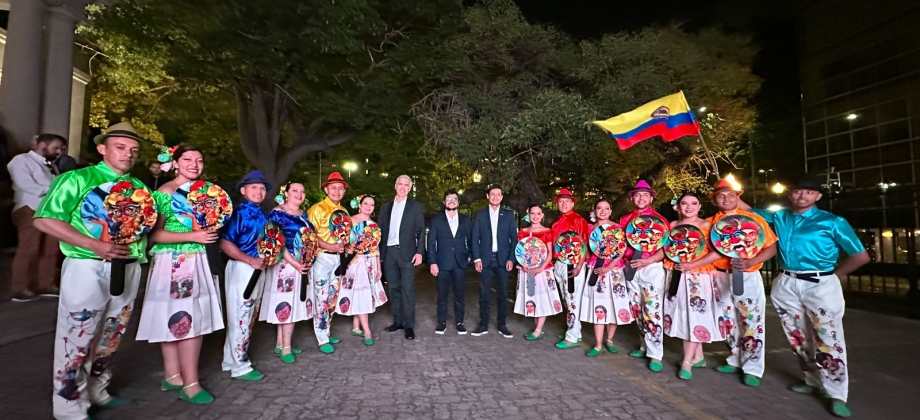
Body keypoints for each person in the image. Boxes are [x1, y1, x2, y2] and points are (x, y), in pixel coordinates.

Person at [33, 122, 152, 419]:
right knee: (77, 334)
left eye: (133, 150)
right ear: (103, 149)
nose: (128, 154)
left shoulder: (140, 189)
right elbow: (45, 219)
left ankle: (98, 391)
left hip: (128, 266)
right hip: (88, 265)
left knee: (111, 335)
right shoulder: (77, 178)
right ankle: (69, 406)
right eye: (121, 147)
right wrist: (94, 244)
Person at [740, 174, 869, 417]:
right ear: (790, 194)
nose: (802, 195)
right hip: (787, 282)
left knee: (828, 336)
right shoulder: (780, 216)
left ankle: (836, 393)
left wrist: (835, 276)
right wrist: (731, 192)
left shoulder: (832, 222)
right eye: (798, 191)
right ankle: (810, 379)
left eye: (809, 192)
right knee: (797, 335)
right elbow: (747, 210)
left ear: (818, 196)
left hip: (820, 283)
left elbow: (860, 256)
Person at [136, 145, 224, 404]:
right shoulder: (165, 192)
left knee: (184, 315)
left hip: (198, 258)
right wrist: (193, 236)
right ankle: (190, 383)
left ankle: (173, 374)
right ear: (174, 163)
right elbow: (154, 234)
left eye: (199, 160)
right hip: (177, 260)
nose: (194, 164)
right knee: (186, 317)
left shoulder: (205, 193)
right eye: (187, 159)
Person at [707, 177, 778, 387]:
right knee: (726, 319)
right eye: (721, 196)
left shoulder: (752, 221)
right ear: (714, 200)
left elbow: (771, 247)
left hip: (747, 275)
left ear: (737, 198)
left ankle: (753, 367)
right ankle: (735, 357)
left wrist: (751, 261)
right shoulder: (710, 222)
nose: (726, 199)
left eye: (730, 195)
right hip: (719, 275)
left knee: (751, 320)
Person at [660, 192, 725, 380]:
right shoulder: (673, 226)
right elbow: (668, 249)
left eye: (694, 203)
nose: (689, 207)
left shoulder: (707, 226)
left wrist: (692, 264)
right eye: (685, 203)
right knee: (683, 313)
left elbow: (718, 252)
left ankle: (687, 361)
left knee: (696, 314)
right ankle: (699, 356)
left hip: (698, 276)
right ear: (677, 207)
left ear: (699, 206)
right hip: (677, 275)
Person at [219, 170, 271, 380]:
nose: (259, 191)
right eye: (253, 187)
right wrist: (250, 260)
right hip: (243, 267)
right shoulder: (238, 213)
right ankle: (240, 366)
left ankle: (230, 360)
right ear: (243, 190)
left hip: (258, 268)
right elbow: (224, 243)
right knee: (240, 315)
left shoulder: (261, 213)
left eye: (262, 188)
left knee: (247, 316)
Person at [8, 133, 67, 301]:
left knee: (51, 248)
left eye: (61, 149)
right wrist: (57, 187)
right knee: (29, 248)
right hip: (29, 208)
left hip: (50, 211)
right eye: (56, 148)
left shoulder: (50, 166)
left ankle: (45, 284)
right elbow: (25, 185)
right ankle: (20, 287)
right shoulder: (21, 160)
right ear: (42, 145)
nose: (59, 152)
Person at [261, 182, 315, 362]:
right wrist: (295, 263)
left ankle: (280, 343)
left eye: (302, 191)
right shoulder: (278, 213)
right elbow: (276, 241)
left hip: (300, 263)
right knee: (286, 304)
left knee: (293, 302)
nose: (299, 194)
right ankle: (286, 348)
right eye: (295, 191)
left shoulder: (302, 214)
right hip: (286, 264)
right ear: (286, 193)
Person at [618, 180, 668, 372]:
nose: (641, 198)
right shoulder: (625, 220)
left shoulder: (659, 220)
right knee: (636, 309)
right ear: (632, 198)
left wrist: (647, 261)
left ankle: (656, 354)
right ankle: (644, 346)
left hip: (651, 268)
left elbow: (666, 248)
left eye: (645, 195)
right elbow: (621, 245)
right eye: (637, 195)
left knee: (652, 309)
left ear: (651, 197)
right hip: (631, 267)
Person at [580, 200, 633, 357]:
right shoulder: (590, 228)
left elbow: (621, 251)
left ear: (611, 211)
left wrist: (609, 267)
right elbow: (587, 250)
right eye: (599, 208)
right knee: (598, 304)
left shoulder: (617, 228)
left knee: (615, 304)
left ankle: (609, 339)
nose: (602, 211)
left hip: (614, 270)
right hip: (595, 269)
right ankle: (597, 344)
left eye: (606, 208)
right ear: (594, 210)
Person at [306, 172, 351, 352]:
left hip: (338, 259)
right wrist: (331, 247)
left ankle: (326, 328)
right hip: (322, 258)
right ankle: (322, 337)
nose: (337, 191)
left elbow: (345, 236)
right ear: (326, 189)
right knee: (321, 297)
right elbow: (310, 236)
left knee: (333, 297)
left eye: (340, 188)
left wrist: (346, 247)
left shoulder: (344, 211)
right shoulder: (317, 209)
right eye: (333, 188)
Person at [378, 175, 426, 340]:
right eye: (400, 184)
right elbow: (380, 230)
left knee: (407, 289)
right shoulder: (386, 206)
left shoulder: (415, 207)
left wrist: (420, 252)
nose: (403, 187)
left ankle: (409, 326)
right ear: (395, 185)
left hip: (407, 254)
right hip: (389, 252)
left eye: (407, 185)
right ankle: (397, 321)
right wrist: (379, 255)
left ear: (410, 188)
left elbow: (421, 230)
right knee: (393, 288)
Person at [336, 194, 387, 345]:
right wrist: (350, 249)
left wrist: (378, 266)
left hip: (370, 262)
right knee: (361, 293)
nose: (368, 207)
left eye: (372, 204)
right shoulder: (350, 221)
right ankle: (367, 331)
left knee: (363, 293)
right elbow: (342, 242)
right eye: (366, 203)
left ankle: (356, 326)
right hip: (355, 262)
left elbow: (375, 247)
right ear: (360, 205)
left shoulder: (373, 224)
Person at [470, 184, 518, 338]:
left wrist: (512, 258)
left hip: (503, 260)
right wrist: (477, 258)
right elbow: (474, 238)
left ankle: (502, 325)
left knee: (502, 294)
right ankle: (483, 324)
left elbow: (514, 239)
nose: (495, 197)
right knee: (484, 294)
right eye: (492, 194)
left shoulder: (509, 215)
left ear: (502, 197)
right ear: (487, 197)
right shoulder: (480, 214)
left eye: (498, 194)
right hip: (485, 259)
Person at [427, 189, 473, 335]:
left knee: (460, 294)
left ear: (458, 202)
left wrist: (470, 255)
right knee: (442, 295)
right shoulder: (437, 220)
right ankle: (442, 323)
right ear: (444, 202)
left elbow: (472, 240)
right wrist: (432, 262)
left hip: (460, 262)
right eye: (448, 199)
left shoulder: (466, 220)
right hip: (442, 263)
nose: (451, 201)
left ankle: (460, 322)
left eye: (454, 199)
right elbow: (431, 243)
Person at [513, 204, 560, 340]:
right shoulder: (523, 231)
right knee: (531, 297)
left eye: (538, 213)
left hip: (542, 270)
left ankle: (538, 330)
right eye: (532, 213)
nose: (535, 216)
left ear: (542, 215)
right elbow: (520, 252)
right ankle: (537, 328)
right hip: (526, 269)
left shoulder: (546, 231)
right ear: (529, 214)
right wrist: (522, 266)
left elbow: (550, 253)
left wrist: (540, 268)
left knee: (542, 298)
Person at [551, 188, 590, 349]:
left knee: (573, 300)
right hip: (559, 263)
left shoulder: (578, 220)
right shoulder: (557, 221)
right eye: (561, 201)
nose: (564, 204)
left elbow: (584, 244)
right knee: (567, 300)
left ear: (573, 203)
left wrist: (579, 265)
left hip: (573, 264)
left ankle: (572, 336)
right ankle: (575, 331)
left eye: (567, 201)